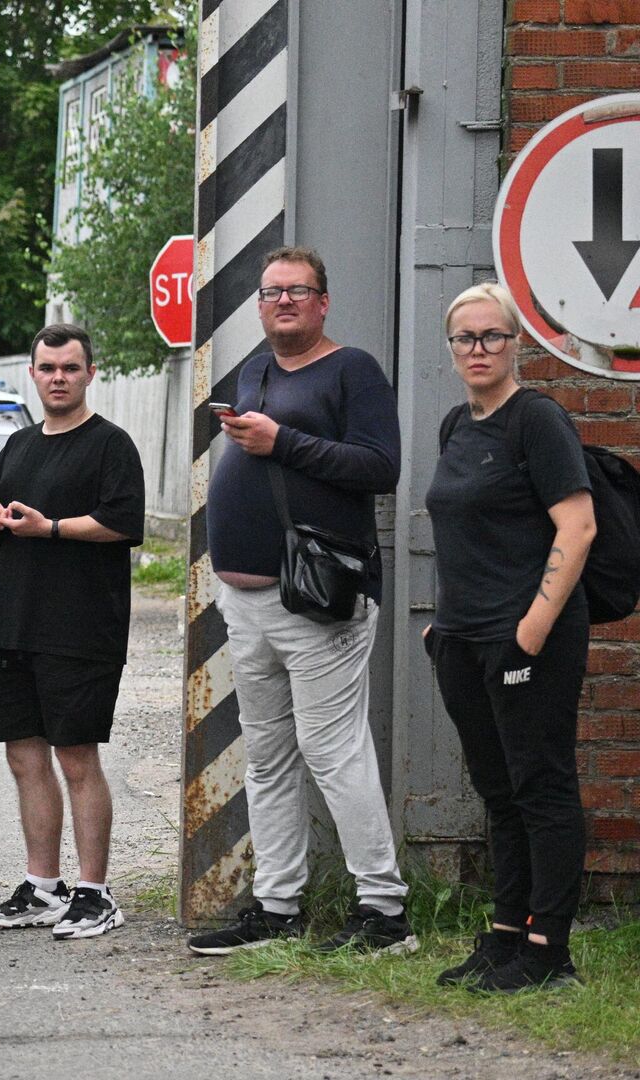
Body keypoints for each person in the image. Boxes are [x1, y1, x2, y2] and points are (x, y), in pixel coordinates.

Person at [190, 246, 414, 956]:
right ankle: (277, 907)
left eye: (299, 291)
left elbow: (381, 468)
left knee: (334, 750)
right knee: (267, 756)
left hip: (319, 602)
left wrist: (282, 440)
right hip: (248, 598)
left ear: (323, 303)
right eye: (272, 291)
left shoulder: (353, 371)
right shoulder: (255, 369)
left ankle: (385, 911)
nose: (283, 301)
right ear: (259, 306)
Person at [425, 283, 594, 992]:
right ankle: (506, 936)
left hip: (526, 638)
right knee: (499, 791)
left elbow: (578, 525)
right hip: (463, 638)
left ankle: (549, 949)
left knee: (541, 787)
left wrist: (531, 627)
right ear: (451, 348)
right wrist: (443, 624)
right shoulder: (455, 426)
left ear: (516, 342)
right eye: (465, 338)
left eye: (492, 335)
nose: (479, 349)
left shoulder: (537, 421)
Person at [0, 324, 144, 939]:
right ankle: (44, 886)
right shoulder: (19, 445)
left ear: (90, 373)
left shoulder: (111, 445)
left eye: (70, 367)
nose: (59, 377)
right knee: (24, 757)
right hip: (14, 623)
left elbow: (122, 522)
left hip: (81, 627)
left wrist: (51, 528)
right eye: (48, 368)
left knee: (76, 758)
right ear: (34, 374)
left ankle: (95, 892)